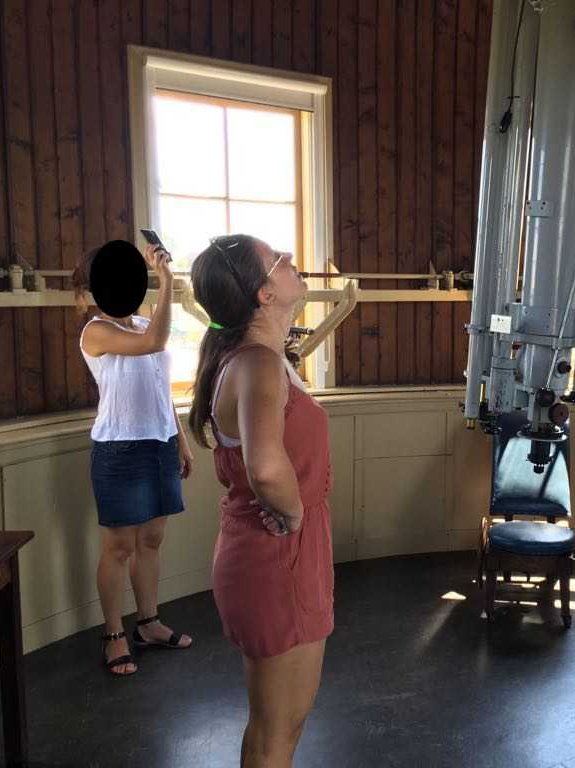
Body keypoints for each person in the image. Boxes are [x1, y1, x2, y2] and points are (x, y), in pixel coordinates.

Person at [187, 234, 334, 768]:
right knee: (279, 731)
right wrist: (294, 515)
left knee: (278, 726)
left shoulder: (257, 358)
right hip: (279, 555)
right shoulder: (257, 364)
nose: (293, 261)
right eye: (280, 261)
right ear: (263, 294)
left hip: (277, 553)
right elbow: (267, 469)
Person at [72, 243, 194, 677]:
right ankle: (113, 634)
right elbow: (153, 342)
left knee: (152, 541)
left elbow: (160, 387)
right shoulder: (96, 331)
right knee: (120, 547)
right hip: (119, 449)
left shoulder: (142, 322)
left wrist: (179, 439)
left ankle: (148, 623)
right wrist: (168, 283)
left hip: (158, 444)